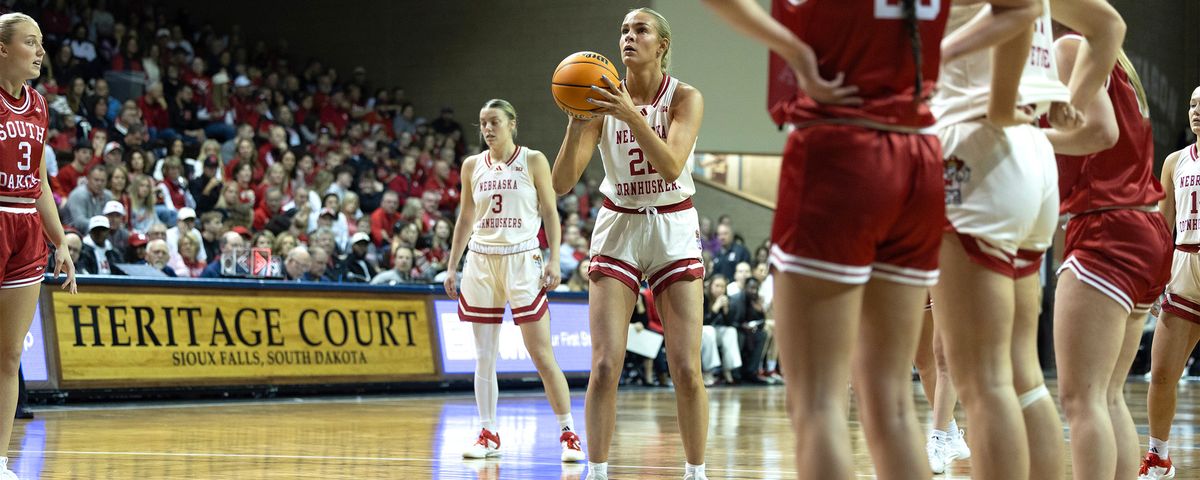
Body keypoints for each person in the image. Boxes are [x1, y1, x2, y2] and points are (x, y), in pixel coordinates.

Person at [701, 1, 1042, 478]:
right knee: (892, 402)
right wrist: (938, 52)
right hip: (919, 155)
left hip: (840, 146)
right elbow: (1023, 7)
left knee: (818, 403)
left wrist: (796, 52)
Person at [931, 2, 1124, 479]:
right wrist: (1071, 101)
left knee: (982, 381)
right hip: (1030, 151)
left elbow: (1014, 11)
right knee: (1019, 375)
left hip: (975, 142)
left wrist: (992, 99)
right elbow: (1108, 26)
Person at [550, 9, 707, 480]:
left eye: (640, 30)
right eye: (623, 30)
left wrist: (628, 114)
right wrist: (579, 120)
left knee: (685, 367)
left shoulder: (685, 97)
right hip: (618, 222)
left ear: (661, 45)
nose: (628, 37)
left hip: (673, 223)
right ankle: (595, 472)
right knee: (603, 364)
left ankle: (695, 471)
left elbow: (671, 165)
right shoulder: (600, 100)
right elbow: (561, 183)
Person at [444, 99, 583, 463]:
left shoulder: (533, 159)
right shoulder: (471, 165)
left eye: (494, 122)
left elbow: (551, 212)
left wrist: (554, 257)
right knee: (484, 356)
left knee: (541, 354)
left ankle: (568, 432)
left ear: (512, 124)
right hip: (481, 261)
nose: (488, 129)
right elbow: (464, 218)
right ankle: (488, 432)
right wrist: (451, 265)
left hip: (523, 259)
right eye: (483, 123)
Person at [0, 12, 76, 479]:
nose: (40, 51)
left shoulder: (39, 106)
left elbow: (40, 182)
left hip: (26, 224)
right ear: (3, 49)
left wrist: (60, 238)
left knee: (8, 355)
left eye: (42, 42)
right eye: (31, 42)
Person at [1139, 85, 1200, 480]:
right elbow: (1163, 225)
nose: (1196, 111)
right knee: (1161, 372)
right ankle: (1159, 457)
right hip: (1184, 267)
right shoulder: (1176, 160)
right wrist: (1155, 277)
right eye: (1193, 104)